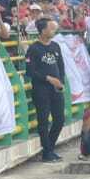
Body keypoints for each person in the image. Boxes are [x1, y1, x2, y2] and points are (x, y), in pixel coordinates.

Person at [25, 18, 66, 162]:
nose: (54, 31)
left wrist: (61, 81)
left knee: (60, 119)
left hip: (56, 89)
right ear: (43, 30)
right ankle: (47, 152)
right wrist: (48, 78)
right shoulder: (34, 49)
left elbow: (61, 65)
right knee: (43, 120)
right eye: (51, 28)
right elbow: (30, 71)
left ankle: (50, 148)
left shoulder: (55, 46)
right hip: (41, 89)